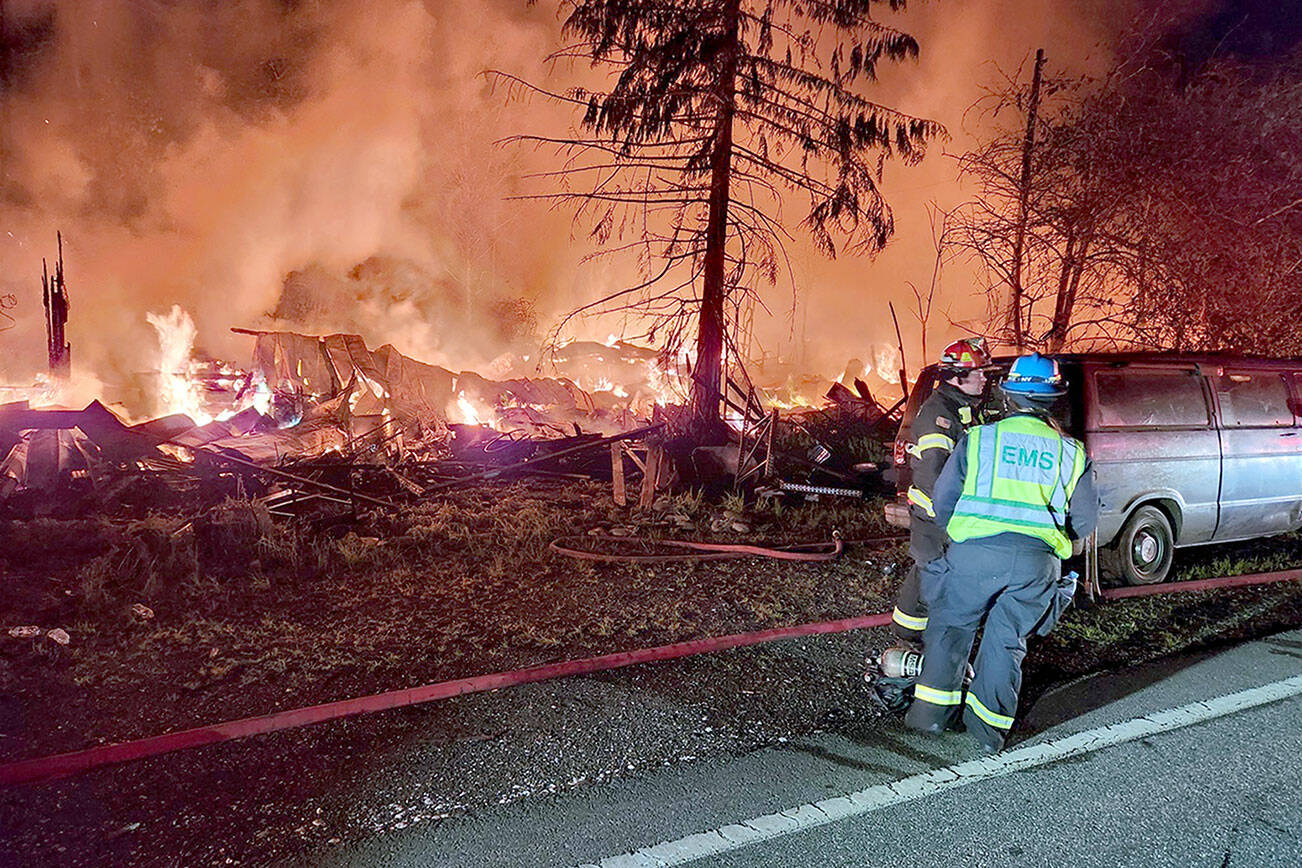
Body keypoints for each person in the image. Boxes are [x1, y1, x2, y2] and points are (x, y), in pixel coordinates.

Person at [904, 352, 1100, 752]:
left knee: (951, 628)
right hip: (1035, 564)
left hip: (973, 556)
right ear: (1053, 400)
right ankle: (988, 732)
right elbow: (1084, 522)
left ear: (1008, 396)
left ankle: (929, 720)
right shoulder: (1072, 453)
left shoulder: (979, 440)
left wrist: (960, 534)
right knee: (1007, 639)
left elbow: (944, 500)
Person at [891, 338, 991, 646]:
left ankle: (920, 631)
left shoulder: (962, 407)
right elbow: (934, 473)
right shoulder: (940, 414)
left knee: (934, 574)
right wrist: (953, 515)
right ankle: (908, 635)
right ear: (958, 376)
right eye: (979, 372)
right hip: (936, 514)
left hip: (947, 511)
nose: (985, 378)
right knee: (930, 573)